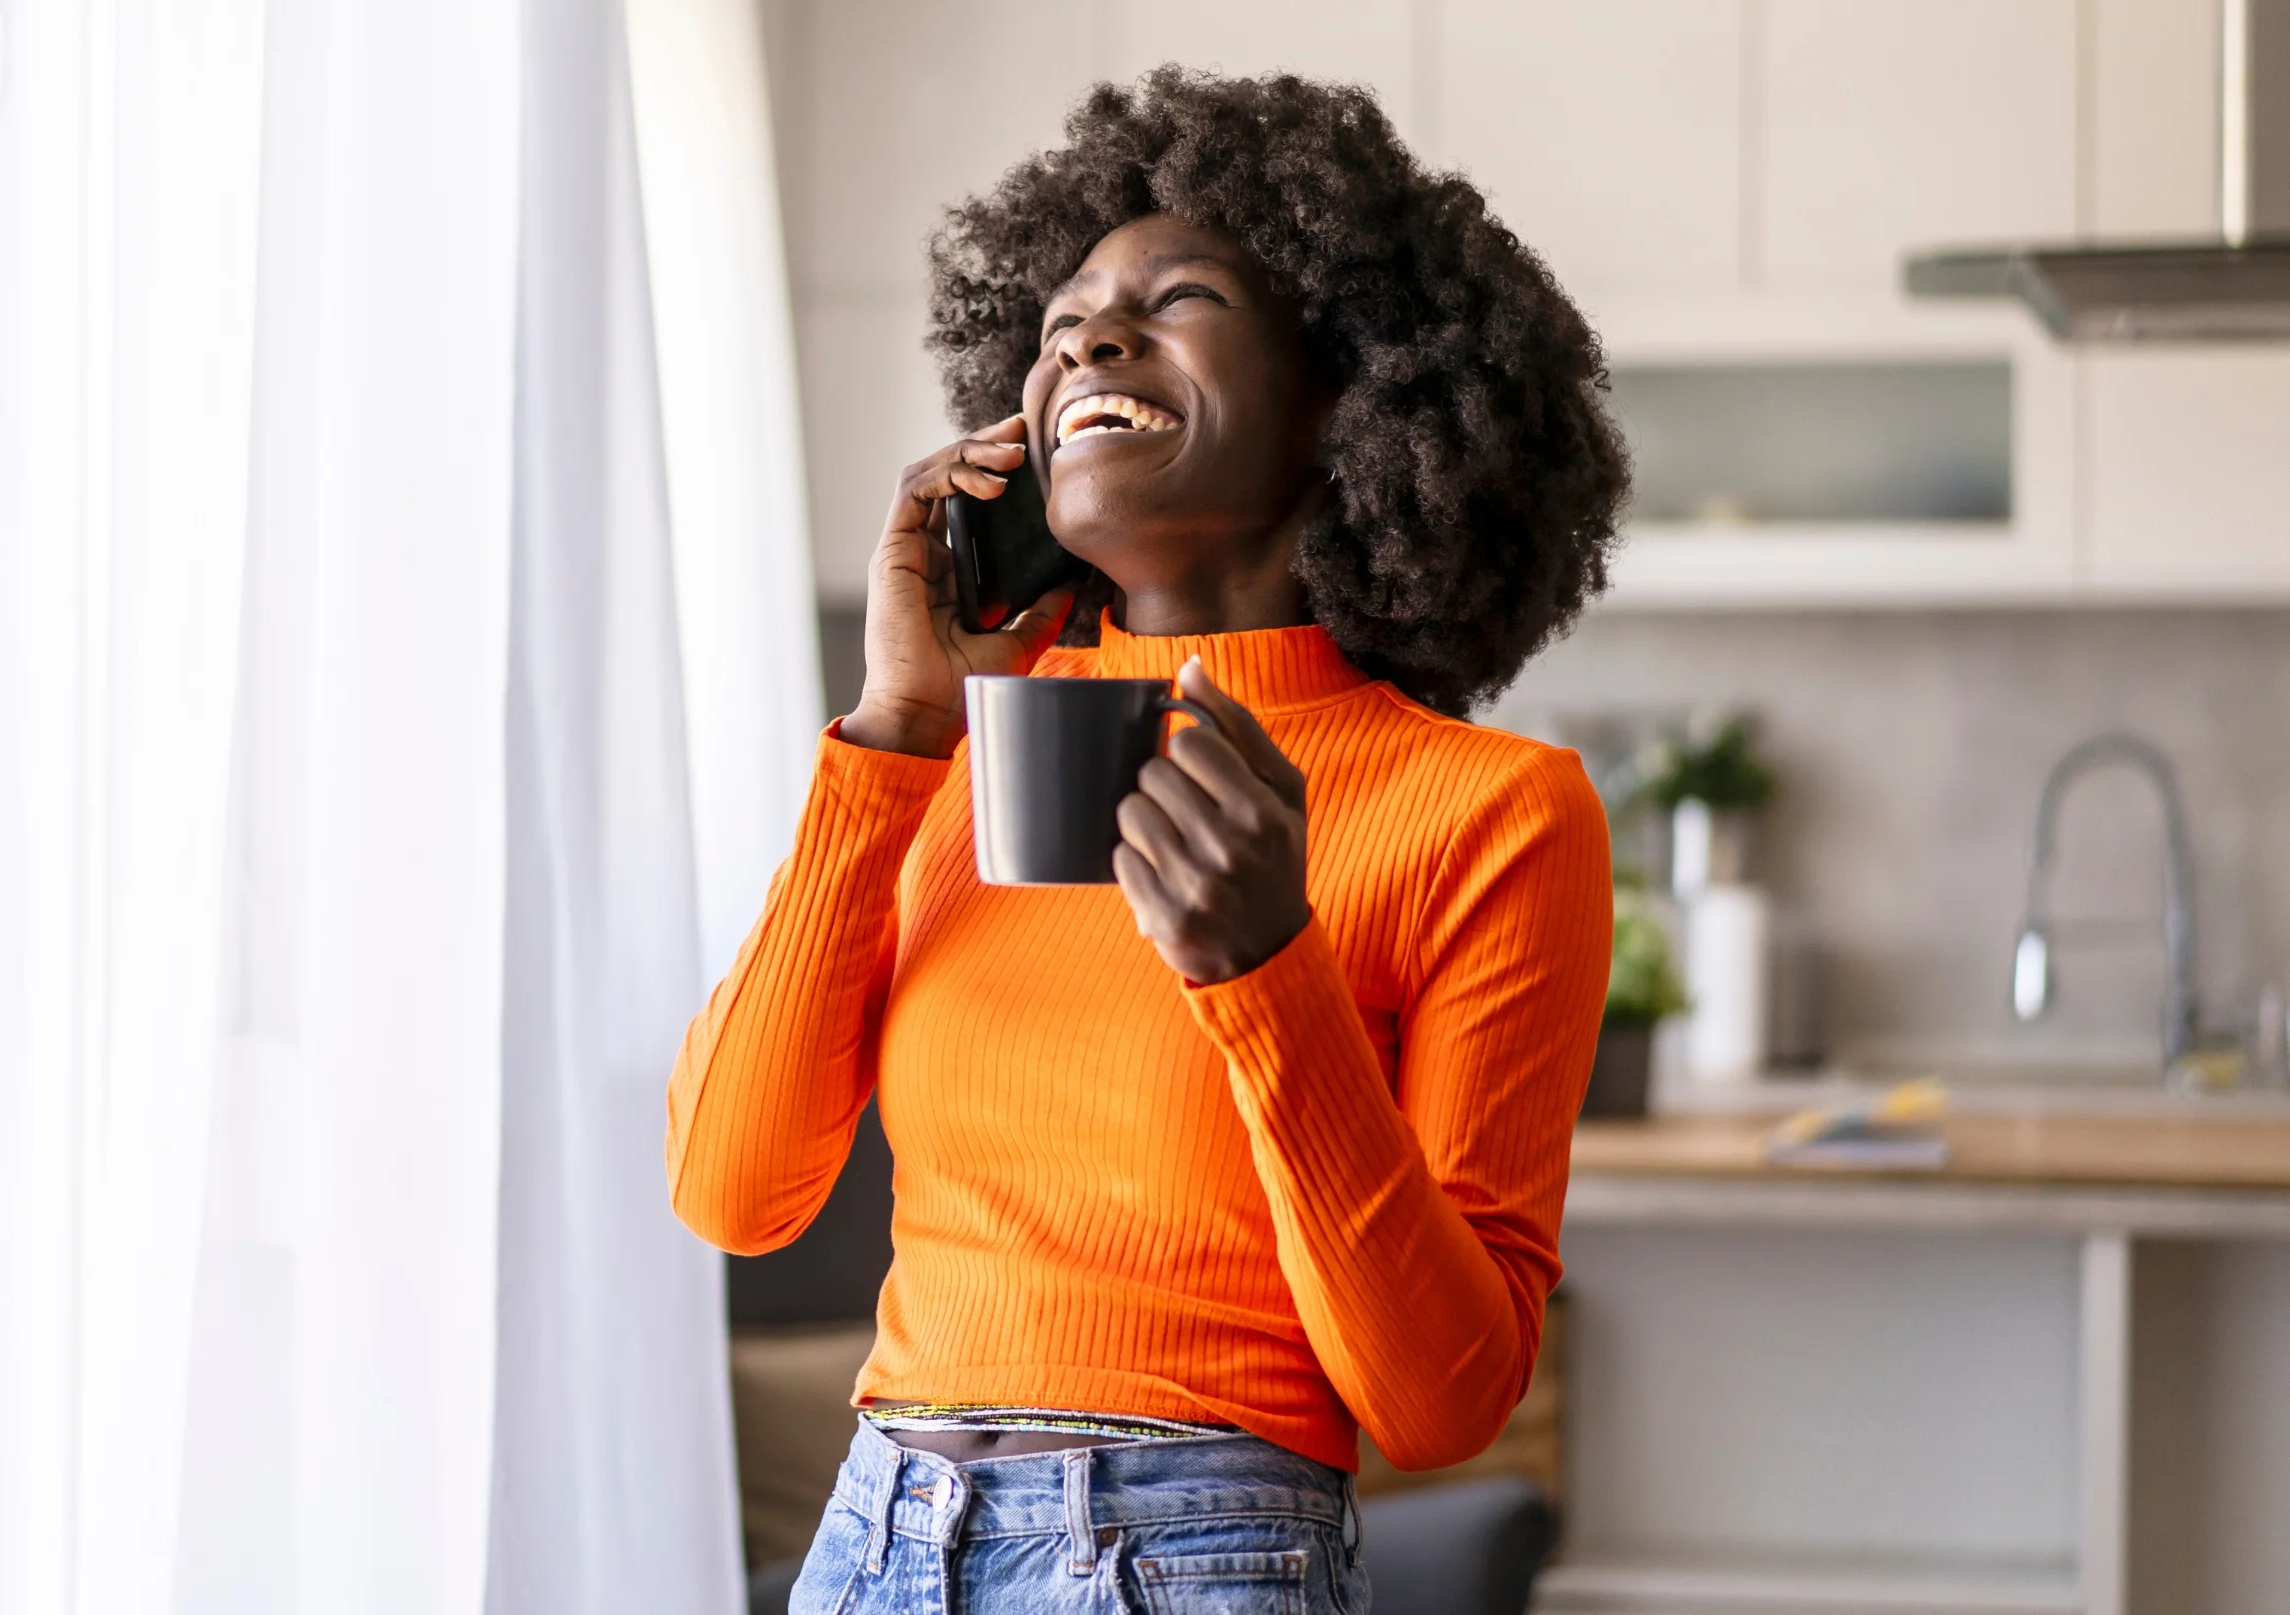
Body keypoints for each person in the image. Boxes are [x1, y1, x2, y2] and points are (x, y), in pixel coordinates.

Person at [669, 68, 1628, 1614]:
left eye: (1177, 300)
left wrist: (1269, 973)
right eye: (1059, 327)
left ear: (1352, 392)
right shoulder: (957, 749)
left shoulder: (1491, 812)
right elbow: (733, 1187)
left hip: (1196, 1551)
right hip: (878, 1535)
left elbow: (1442, 1397)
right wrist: (893, 740)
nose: (1090, 344)